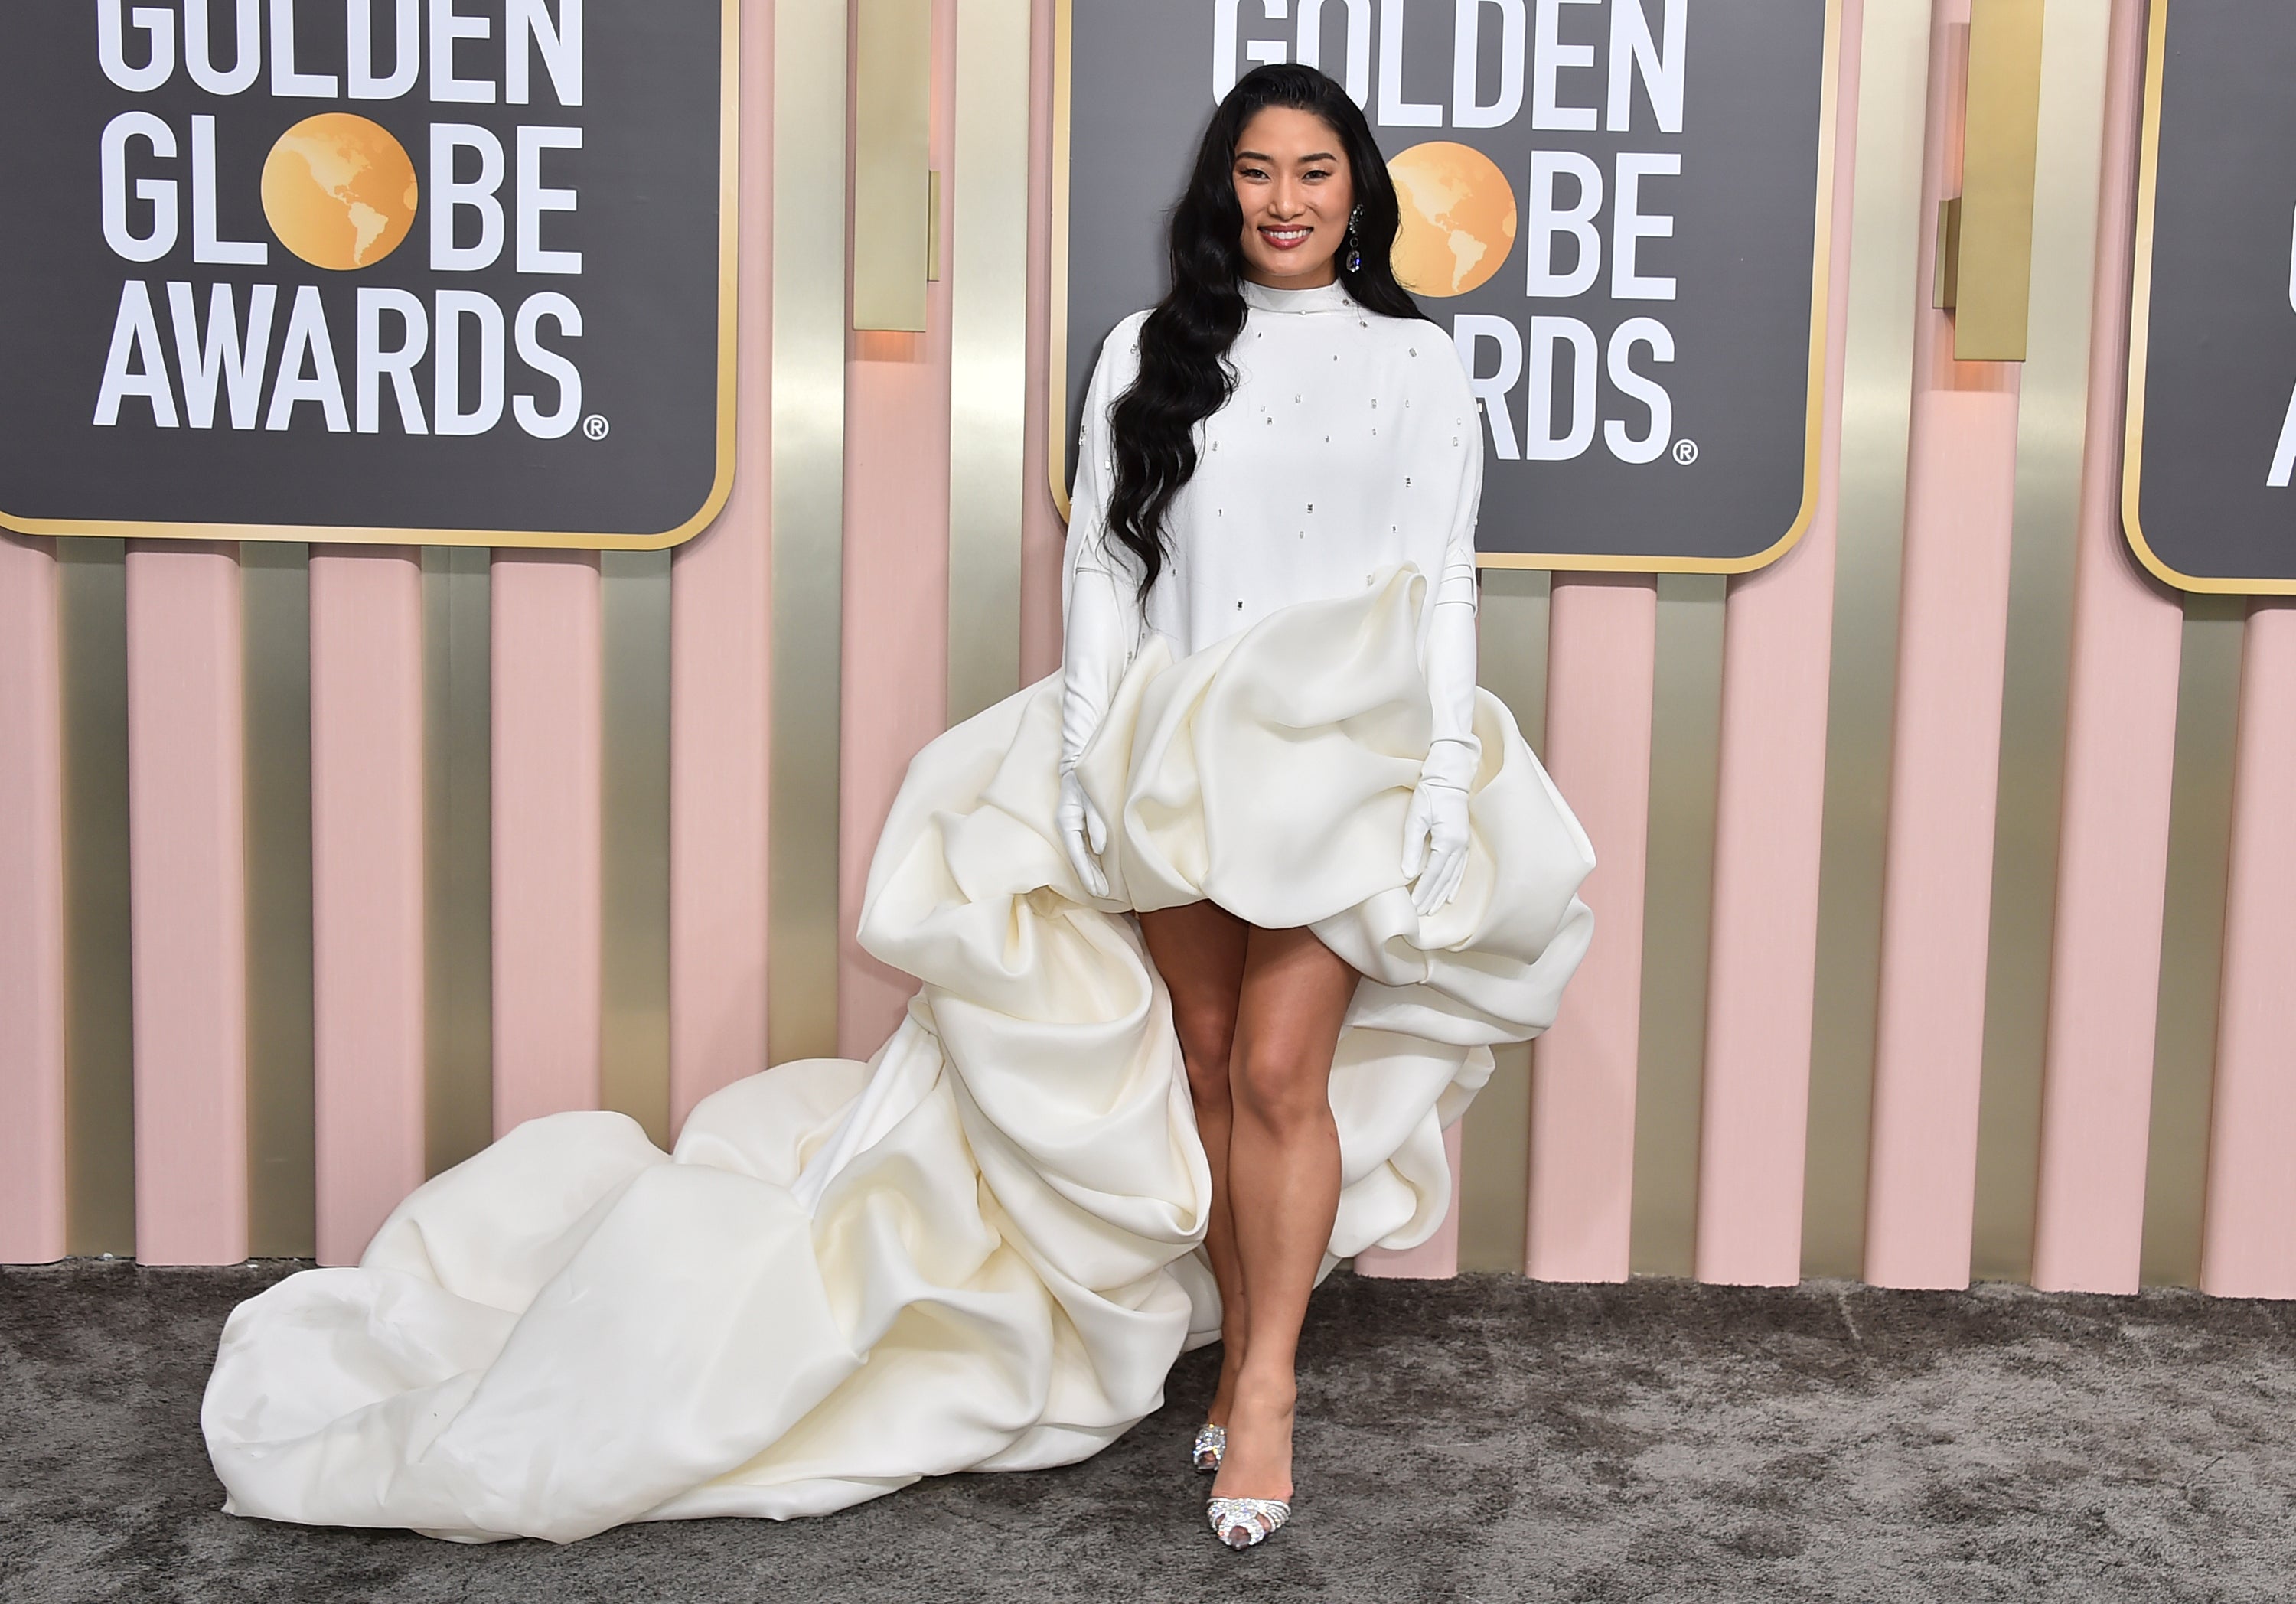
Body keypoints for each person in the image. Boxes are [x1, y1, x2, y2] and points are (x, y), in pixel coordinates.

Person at [199, 62, 1593, 1553]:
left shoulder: (1420, 364)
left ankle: (1262, 1389)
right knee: (1197, 1053)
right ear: (1221, 188)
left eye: (1316, 172)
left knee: (1274, 1065)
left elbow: (1447, 576)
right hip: (1174, 752)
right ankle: (1246, 1333)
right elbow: (1105, 575)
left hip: (1349, 757)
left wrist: (1447, 769)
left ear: (1360, 190)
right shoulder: (1148, 350)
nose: (1287, 202)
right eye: (1257, 171)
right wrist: (1078, 758)